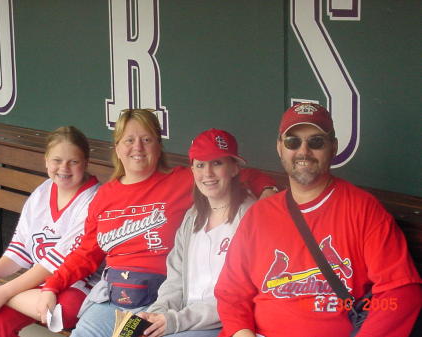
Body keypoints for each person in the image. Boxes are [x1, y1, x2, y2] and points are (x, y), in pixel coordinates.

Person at [36, 109, 277, 337]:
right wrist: (52, 286)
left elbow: (236, 174)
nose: (138, 147)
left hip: (157, 295)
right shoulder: (105, 196)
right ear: (117, 148)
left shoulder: (183, 181)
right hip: (116, 297)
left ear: (159, 147)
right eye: (129, 140)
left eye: (147, 140)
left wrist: (267, 189)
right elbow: (87, 252)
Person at [215, 102, 422, 337]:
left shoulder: (363, 209)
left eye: (316, 142)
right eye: (293, 142)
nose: (303, 151)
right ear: (279, 148)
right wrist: (242, 333)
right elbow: (231, 292)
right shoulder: (258, 215)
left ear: (332, 147)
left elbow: (401, 291)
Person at [0, 126, 100, 337]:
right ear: (46, 161)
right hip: (39, 286)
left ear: (86, 162)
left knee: (58, 313)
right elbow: (20, 248)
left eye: (73, 161)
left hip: (77, 284)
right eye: (57, 160)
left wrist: (4, 292)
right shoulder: (42, 192)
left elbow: (56, 265)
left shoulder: (94, 199)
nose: (64, 168)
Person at [138, 129, 264, 337]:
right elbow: (175, 279)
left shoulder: (250, 218)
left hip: (225, 324)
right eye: (200, 165)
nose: (207, 173)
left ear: (234, 168)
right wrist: (157, 315)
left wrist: (174, 321)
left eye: (217, 163)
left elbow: (237, 297)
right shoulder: (192, 218)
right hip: (185, 320)